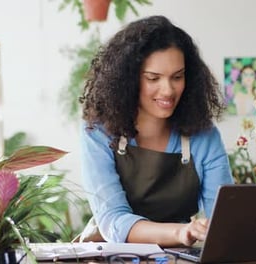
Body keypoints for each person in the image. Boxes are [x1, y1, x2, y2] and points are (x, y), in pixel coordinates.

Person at [79, 15, 233, 247]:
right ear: (128, 80)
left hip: (177, 257)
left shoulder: (204, 136)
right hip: (112, 255)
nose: (168, 90)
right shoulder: (98, 132)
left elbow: (222, 219)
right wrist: (180, 232)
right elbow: (113, 219)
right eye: (153, 78)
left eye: (177, 77)